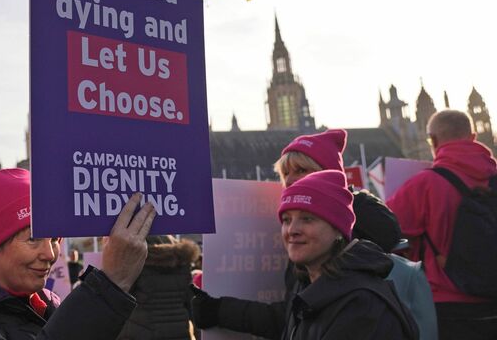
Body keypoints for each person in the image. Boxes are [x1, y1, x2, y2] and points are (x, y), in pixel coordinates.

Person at [0, 168, 156, 339]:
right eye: (33, 239)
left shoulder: (48, 303)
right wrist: (110, 284)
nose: (50, 253)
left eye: (55, 239)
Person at [192, 170, 419, 339]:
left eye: (307, 219)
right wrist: (217, 310)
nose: (292, 230)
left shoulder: (360, 305)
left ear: (338, 230)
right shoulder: (311, 284)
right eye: (286, 220)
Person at [276, 129, 437, 339]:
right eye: (287, 220)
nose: (290, 180)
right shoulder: (308, 265)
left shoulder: (358, 300)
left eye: (308, 219)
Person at [387, 110, 497, 339]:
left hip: (447, 306)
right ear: (473, 137)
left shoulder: (423, 184)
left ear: (433, 141)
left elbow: (385, 231)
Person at [116, 235, 200, 340]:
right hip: (177, 333)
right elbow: (193, 306)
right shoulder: (182, 267)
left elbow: (120, 303)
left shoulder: (134, 265)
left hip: (141, 333)